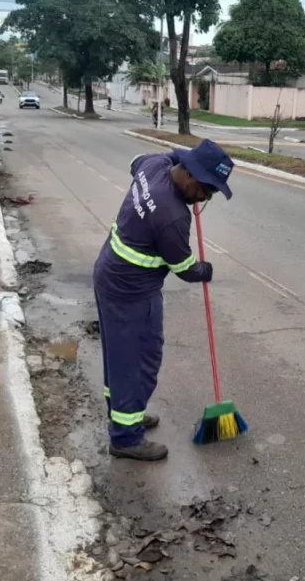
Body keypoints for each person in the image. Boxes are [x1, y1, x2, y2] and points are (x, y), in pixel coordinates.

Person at [93, 139, 235, 461]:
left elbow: (137, 160)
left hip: (110, 274)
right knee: (139, 361)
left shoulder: (153, 165)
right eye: (207, 189)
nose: (206, 198)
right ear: (190, 175)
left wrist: (182, 158)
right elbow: (185, 269)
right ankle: (126, 438)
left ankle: (124, 414)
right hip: (131, 292)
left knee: (119, 357)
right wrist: (206, 270)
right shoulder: (173, 216)